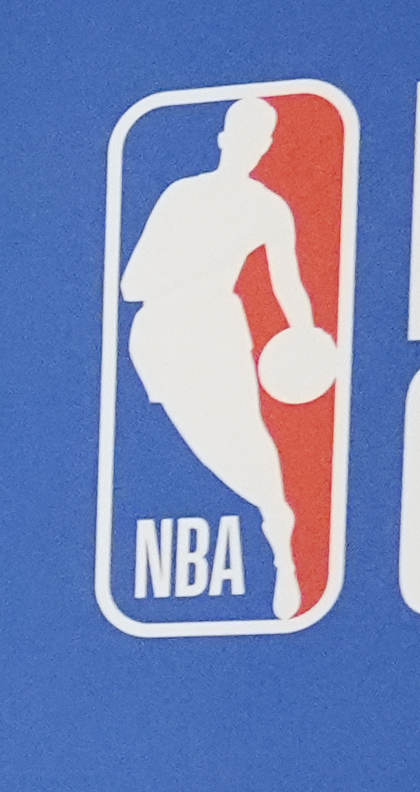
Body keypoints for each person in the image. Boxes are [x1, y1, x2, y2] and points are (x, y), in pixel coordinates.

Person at [119, 95, 314, 618]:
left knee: (249, 434)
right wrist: (207, 256)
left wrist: (307, 337)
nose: (249, 147)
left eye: (260, 139)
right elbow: (132, 283)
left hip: (220, 329)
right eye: (241, 134)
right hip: (162, 334)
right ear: (224, 137)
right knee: (209, 443)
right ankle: (270, 511)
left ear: (267, 146)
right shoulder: (182, 195)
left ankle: (282, 545)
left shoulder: (270, 208)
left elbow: (288, 285)